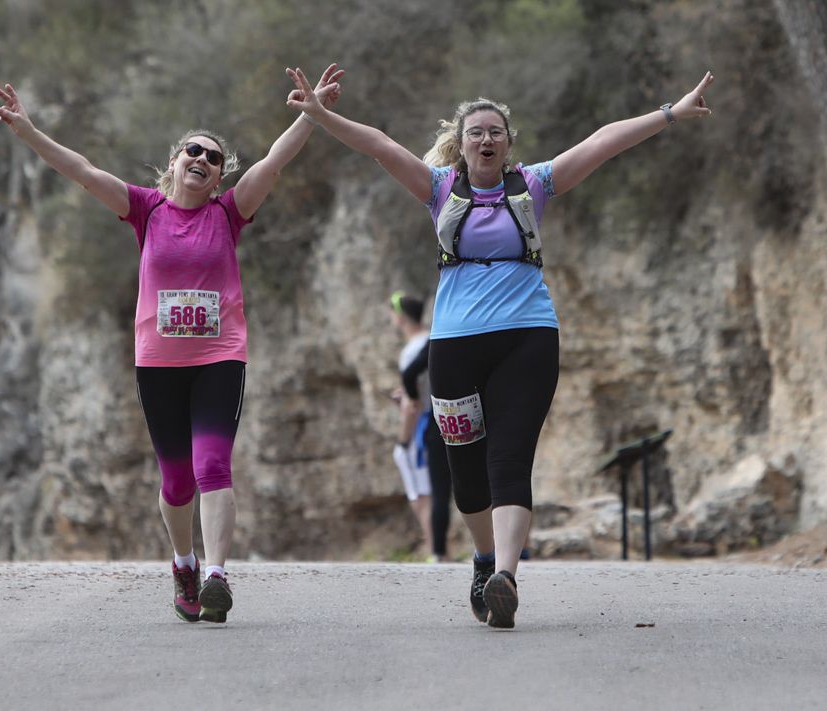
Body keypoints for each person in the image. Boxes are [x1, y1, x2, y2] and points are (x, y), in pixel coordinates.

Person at [286, 66, 714, 628]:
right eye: (475, 133)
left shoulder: (534, 185)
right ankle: (484, 560)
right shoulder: (438, 189)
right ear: (460, 146)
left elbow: (603, 141)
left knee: (510, 457)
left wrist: (670, 114)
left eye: (495, 132)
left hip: (528, 338)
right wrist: (321, 116)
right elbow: (381, 146)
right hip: (455, 345)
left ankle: (506, 577)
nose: (485, 140)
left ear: (509, 142)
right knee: (466, 474)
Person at [0, 64, 344, 623]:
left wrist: (311, 113)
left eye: (213, 159)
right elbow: (81, 171)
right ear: (175, 163)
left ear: (219, 177)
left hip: (218, 358)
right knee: (177, 480)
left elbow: (273, 163)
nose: (202, 161)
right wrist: (29, 131)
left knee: (212, 465)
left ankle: (217, 575)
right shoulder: (144, 210)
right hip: (158, 363)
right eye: (193, 152)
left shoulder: (230, 214)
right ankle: (183, 561)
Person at [389, 291, 452, 562]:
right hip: (442, 416)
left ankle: (436, 551)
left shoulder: (411, 351)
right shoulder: (430, 340)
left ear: (400, 317)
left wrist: (403, 440)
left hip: (424, 424)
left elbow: (412, 401)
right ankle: (440, 551)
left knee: (423, 494)